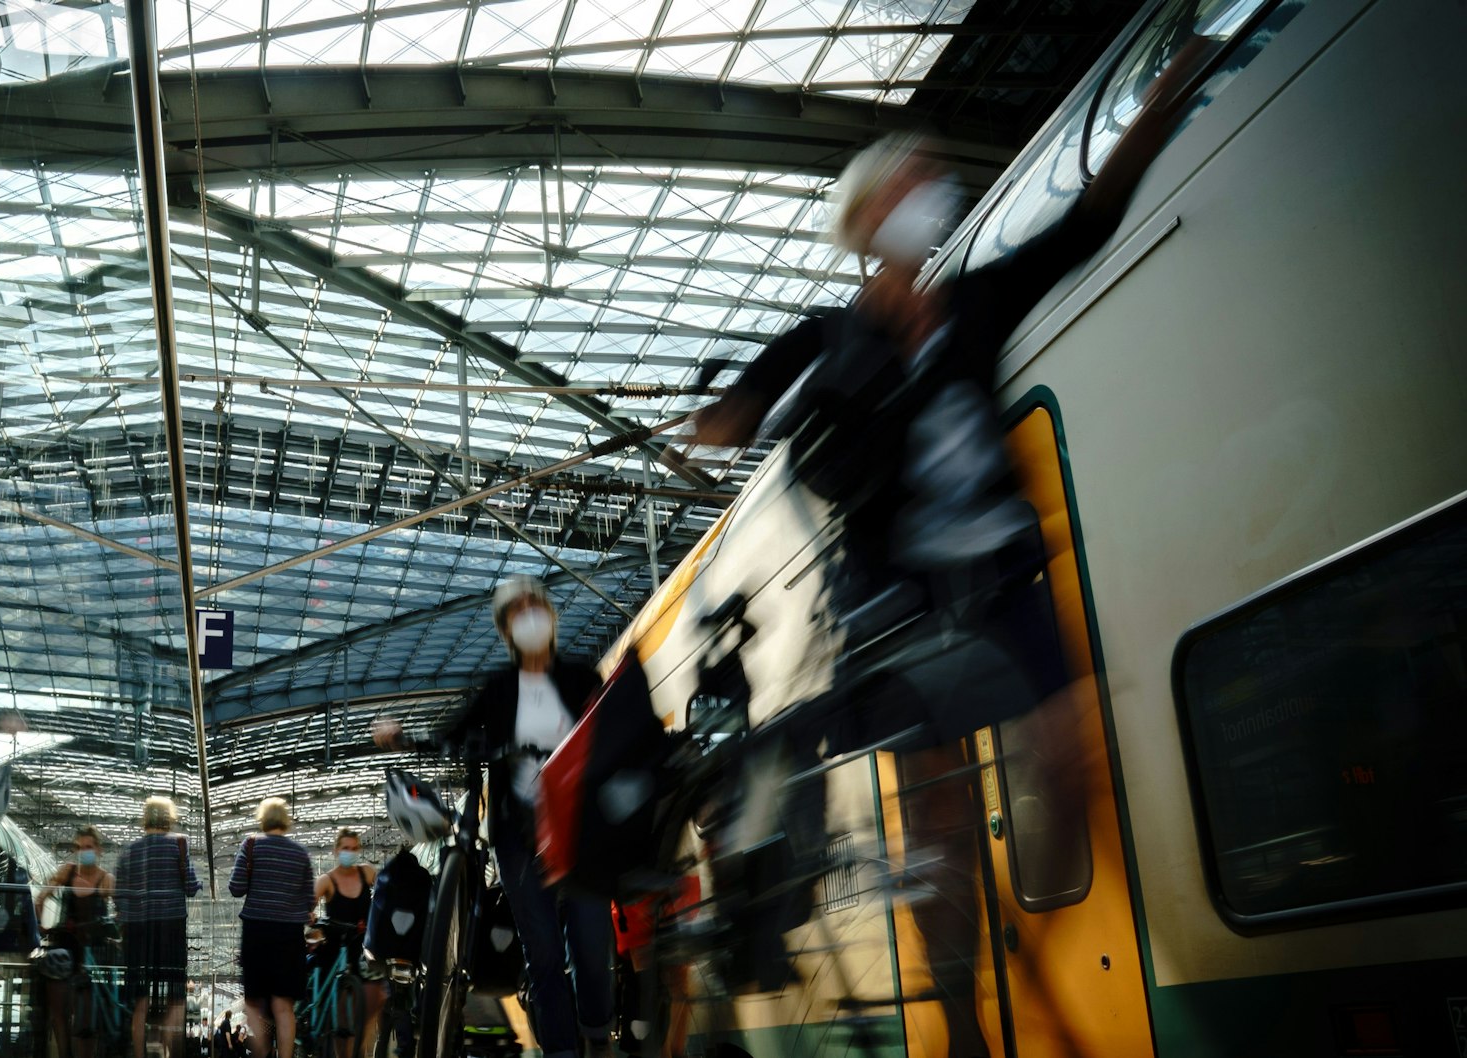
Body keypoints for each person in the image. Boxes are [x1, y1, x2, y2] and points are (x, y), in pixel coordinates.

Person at [687, 35, 1216, 1058]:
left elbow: (1085, 226)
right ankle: (965, 1016)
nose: (934, 189)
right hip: (896, 599)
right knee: (936, 827)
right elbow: (740, 411)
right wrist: (707, 419)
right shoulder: (823, 340)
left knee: (1068, 758)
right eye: (912, 182)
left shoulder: (974, 299)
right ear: (868, 221)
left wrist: (1148, 115)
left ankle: (1034, 945)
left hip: (1000, 570)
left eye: (931, 176)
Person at [375, 575, 615, 1058]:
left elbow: (611, 739)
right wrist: (405, 738)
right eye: (517, 610)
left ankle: (596, 1031)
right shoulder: (498, 690)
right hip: (517, 835)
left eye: (536, 605)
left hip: (580, 833)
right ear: (506, 629)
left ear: (550, 616)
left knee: (591, 946)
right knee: (543, 953)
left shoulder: (582, 680)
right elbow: (454, 733)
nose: (529, 613)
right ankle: (564, 1052)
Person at [117, 796, 203, 1058]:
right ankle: (170, 1053)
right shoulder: (178, 845)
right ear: (169, 819)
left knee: (140, 1001)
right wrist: (195, 885)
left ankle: (140, 1055)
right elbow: (189, 885)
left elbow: (119, 894)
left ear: (145, 819)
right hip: (170, 929)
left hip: (137, 931)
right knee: (174, 998)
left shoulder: (129, 851)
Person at [230, 797, 315, 1058]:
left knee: (254, 1002)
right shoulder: (300, 853)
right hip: (289, 936)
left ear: (262, 819)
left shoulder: (251, 845)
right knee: (283, 1006)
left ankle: (261, 1050)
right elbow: (309, 901)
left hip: (257, 933)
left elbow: (236, 888)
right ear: (285, 821)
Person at [36, 825, 116, 1058]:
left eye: (88, 847)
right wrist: (42, 928)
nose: (83, 852)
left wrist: (113, 932)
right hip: (65, 948)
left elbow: (120, 911)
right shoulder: (67, 872)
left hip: (92, 955)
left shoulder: (105, 879)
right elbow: (42, 896)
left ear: (98, 850)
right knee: (59, 1010)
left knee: (86, 1017)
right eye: (79, 848)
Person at [314, 828, 386, 1058]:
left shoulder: (367, 873)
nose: (350, 852)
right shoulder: (327, 880)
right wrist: (310, 917)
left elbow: (386, 892)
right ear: (336, 851)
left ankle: (361, 1051)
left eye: (355, 848)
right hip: (335, 950)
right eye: (345, 848)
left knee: (371, 1005)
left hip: (362, 948)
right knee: (341, 1018)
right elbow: (308, 904)